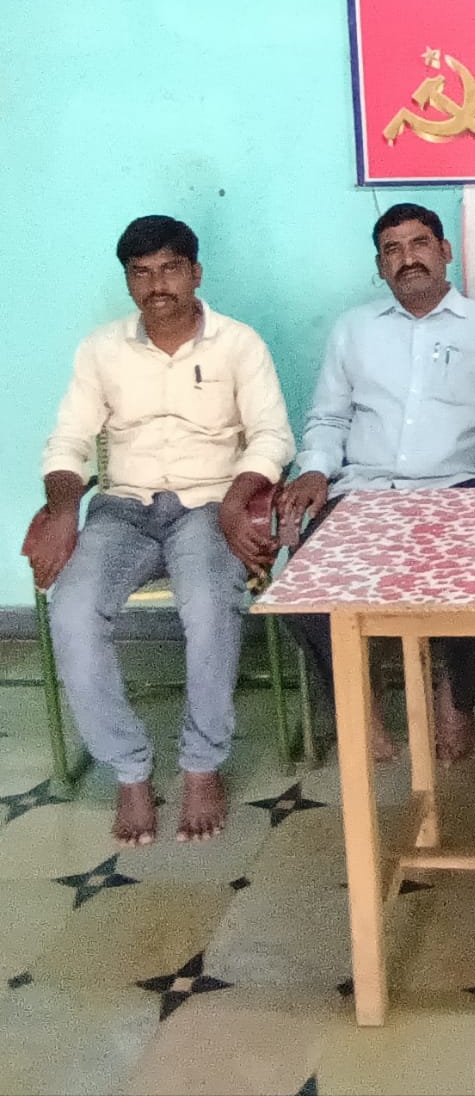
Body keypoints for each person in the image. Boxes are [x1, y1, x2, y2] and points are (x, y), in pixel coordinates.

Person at [23, 215, 295, 846]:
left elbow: (272, 436)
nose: (157, 285)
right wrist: (63, 510)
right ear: (128, 282)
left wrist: (235, 503)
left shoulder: (239, 344)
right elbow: (68, 440)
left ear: (196, 273)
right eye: (141, 273)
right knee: (72, 611)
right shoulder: (101, 349)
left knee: (209, 605)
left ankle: (202, 764)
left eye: (170, 268)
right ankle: (129, 770)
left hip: (208, 506)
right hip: (122, 509)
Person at [277, 203, 475, 765]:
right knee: (303, 589)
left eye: (419, 244)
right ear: (379, 265)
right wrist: (315, 467)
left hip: (457, 488)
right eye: (392, 249)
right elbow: (329, 417)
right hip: (363, 492)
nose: (407, 258)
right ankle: (358, 702)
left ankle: (456, 695)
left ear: (445, 252)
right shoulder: (353, 329)